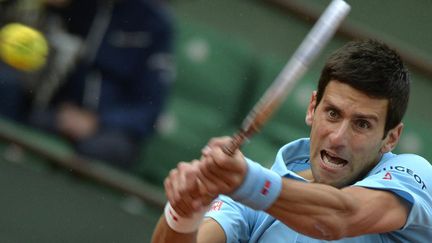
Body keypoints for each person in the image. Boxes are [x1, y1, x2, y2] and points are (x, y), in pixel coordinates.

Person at [151, 40, 432, 242]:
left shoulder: (412, 175)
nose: (338, 138)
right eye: (332, 113)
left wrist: (246, 182)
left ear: (391, 137)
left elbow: (340, 216)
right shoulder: (255, 191)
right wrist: (185, 211)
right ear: (313, 108)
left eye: (362, 124)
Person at [0, 0, 175, 169]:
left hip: (109, 130)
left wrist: (98, 121)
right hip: (59, 112)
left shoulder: (155, 22)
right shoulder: (77, 5)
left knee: (103, 149)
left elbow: (149, 108)